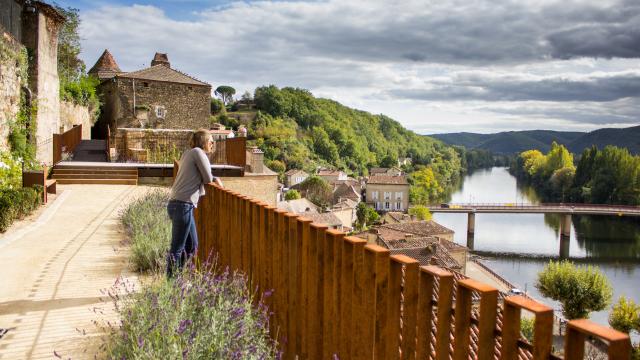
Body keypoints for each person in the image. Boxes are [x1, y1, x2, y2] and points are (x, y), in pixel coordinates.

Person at [167, 129, 223, 277]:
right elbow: (207, 178)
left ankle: (177, 278)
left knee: (191, 246)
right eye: (211, 141)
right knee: (177, 248)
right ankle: (170, 285)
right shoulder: (199, 153)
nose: (212, 144)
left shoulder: (188, 153)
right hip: (182, 205)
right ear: (204, 142)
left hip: (178, 204)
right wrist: (215, 178)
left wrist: (213, 176)